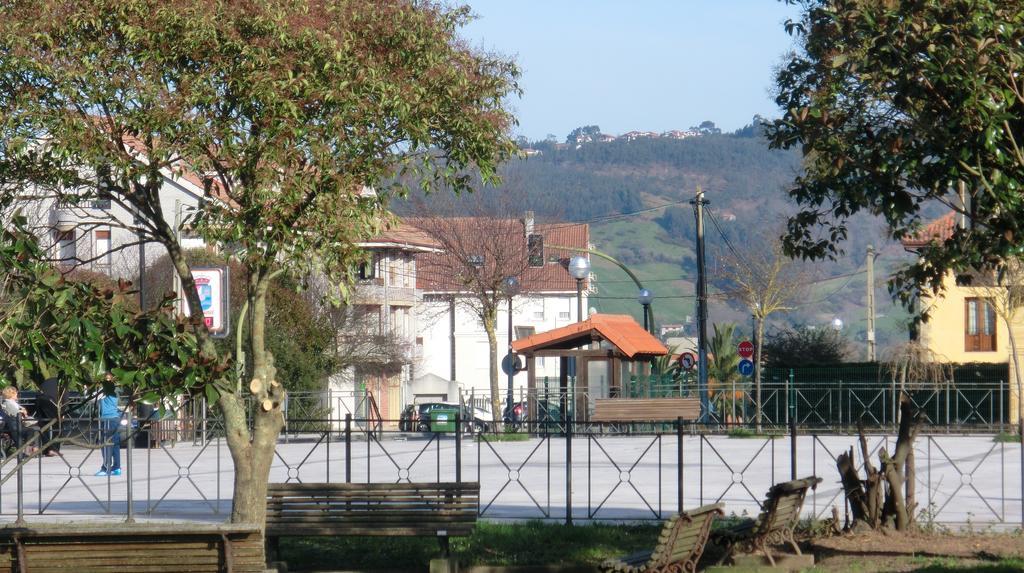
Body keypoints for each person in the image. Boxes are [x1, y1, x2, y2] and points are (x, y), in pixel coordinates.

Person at [1, 386, 38, 453]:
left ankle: (30, 448)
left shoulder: (13, 403)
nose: (17, 395)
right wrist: (22, 411)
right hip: (12, 426)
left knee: (33, 429)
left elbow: (20, 411)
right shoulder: (7, 403)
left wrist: (23, 412)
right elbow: (14, 412)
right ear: (11, 394)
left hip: (17, 424)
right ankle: (26, 449)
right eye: (16, 393)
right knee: (30, 430)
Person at [97, 385, 122, 477]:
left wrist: (86, 388)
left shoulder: (105, 389)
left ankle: (105, 468)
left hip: (107, 418)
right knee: (115, 444)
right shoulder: (116, 390)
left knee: (106, 444)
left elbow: (91, 398)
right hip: (115, 418)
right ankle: (117, 467)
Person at [35, 377, 61, 457]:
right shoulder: (62, 382)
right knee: (57, 426)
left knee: (43, 426)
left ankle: (45, 449)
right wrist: (62, 413)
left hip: (40, 398)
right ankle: (53, 449)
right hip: (51, 401)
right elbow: (65, 398)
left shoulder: (47, 381)